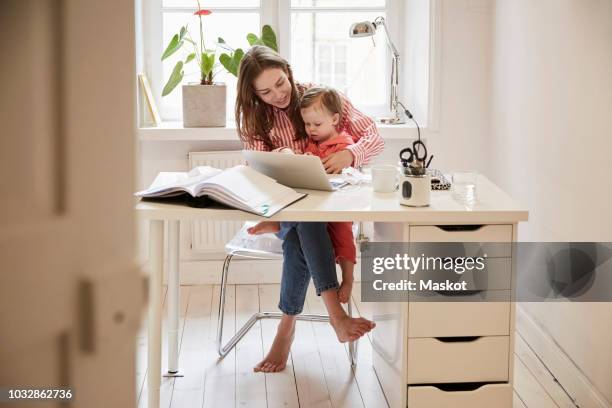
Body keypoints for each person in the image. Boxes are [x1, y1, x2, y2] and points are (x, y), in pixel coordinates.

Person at [236, 45, 384, 373]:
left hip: (326, 209)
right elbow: (255, 171)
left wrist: (352, 154)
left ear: (288, 71)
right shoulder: (256, 121)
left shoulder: (321, 97)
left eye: (280, 82)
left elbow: (374, 135)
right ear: (253, 94)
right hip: (287, 207)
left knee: (301, 234)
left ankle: (285, 329)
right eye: (265, 91)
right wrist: (281, 162)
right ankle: (336, 316)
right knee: (303, 221)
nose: (277, 94)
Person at [253, 86, 357, 304]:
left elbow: (350, 175)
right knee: (304, 221)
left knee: (344, 238)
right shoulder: (313, 143)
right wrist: (293, 157)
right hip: (314, 208)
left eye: (317, 124)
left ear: (335, 119)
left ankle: (348, 279)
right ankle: (282, 225)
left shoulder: (344, 146)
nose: (311, 129)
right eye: (307, 124)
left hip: (336, 208)